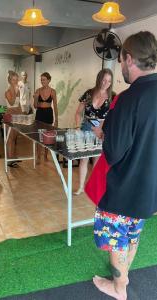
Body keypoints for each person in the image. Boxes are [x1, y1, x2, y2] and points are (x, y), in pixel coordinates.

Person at [92, 31, 157, 300]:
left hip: (123, 189)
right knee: (133, 235)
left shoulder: (130, 98)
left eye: (120, 62)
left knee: (117, 239)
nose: (120, 70)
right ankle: (124, 278)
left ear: (129, 59)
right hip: (149, 189)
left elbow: (114, 152)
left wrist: (105, 134)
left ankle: (119, 288)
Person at [74, 68, 115, 195]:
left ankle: (94, 187)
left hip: (101, 132)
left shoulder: (113, 96)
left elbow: (115, 117)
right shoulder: (89, 93)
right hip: (86, 128)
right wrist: (76, 128)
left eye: (109, 81)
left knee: (97, 161)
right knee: (84, 159)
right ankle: (81, 187)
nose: (106, 83)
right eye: (104, 80)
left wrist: (104, 130)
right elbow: (78, 113)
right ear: (99, 79)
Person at [33, 72, 58, 163]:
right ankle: (38, 156)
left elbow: (55, 106)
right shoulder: (38, 90)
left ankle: (46, 156)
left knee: (48, 135)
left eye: (44, 80)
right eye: (41, 80)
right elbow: (35, 106)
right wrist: (35, 98)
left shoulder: (53, 91)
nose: (42, 81)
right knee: (39, 135)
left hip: (48, 113)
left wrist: (56, 120)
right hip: (39, 113)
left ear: (49, 80)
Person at [5, 70, 22, 167]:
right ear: (10, 81)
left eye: (16, 79)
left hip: (17, 114)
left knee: (14, 138)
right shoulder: (7, 91)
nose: (15, 82)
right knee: (10, 138)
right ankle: (10, 160)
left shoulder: (18, 90)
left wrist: (21, 114)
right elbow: (11, 103)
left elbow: (18, 104)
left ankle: (13, 157)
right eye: (13, 80)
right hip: (10, 114)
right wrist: (15, 92)